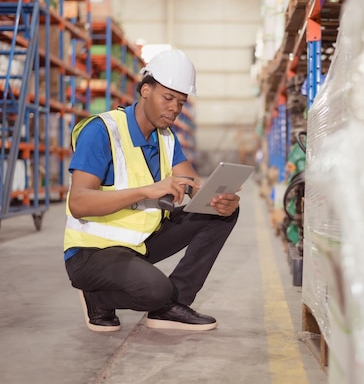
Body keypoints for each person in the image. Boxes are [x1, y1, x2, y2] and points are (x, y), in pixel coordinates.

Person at [63, 49, 241, 333]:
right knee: (157, 290)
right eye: (167, 98)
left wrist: (219, 199)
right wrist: (148, 190)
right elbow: (79, 203)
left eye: (181, 103)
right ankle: (97, 297)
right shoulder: (102, 131)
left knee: (218, 214)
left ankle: (172, 307)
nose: (174, 108)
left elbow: (195, 187)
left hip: (139, 243)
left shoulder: (166, 138)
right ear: (146, 90)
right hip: (92, 252)